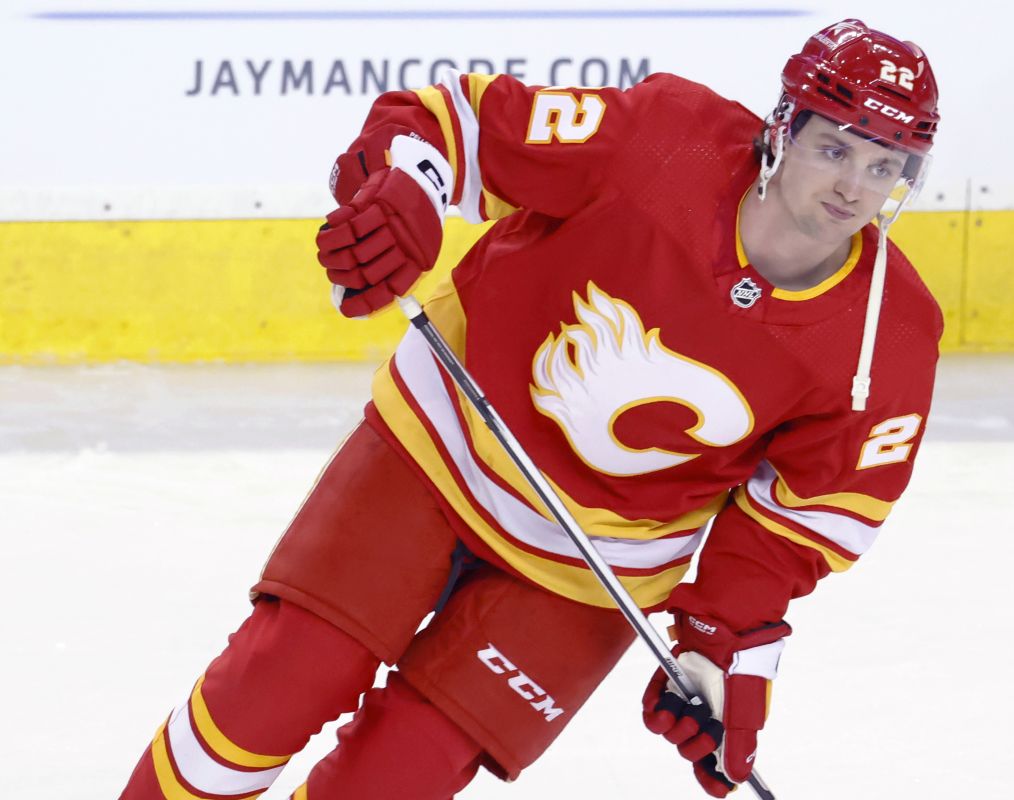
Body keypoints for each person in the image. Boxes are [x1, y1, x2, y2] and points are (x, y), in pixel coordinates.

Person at [120, 17, 941, 800]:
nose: (853, 187)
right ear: (784, 129)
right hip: (438, 452)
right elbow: (456, 127)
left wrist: (721, 643)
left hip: (596, 568)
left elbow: (808, 515)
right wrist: (402, 192)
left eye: (883, 167)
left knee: (395, 779)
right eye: (834, 148)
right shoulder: (665, 139)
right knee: (268, 691)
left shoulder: (892, 337)